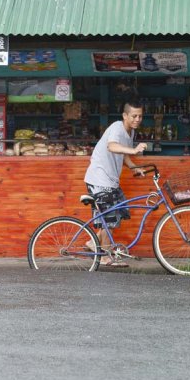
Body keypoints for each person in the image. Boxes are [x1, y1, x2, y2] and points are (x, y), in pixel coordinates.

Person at [84, 102, 147, 267]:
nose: (137, 119)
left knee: (116, 214)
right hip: (100, 180)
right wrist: (134, 150)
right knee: (109, 219)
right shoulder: (117, 128)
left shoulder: (130, 132)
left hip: (110, 181)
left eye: (140, 116)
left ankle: (93, 244)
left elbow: (123, 154)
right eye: (134, 116)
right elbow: (112, 146)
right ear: (125, 116)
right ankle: (104, 257)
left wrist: (135, 168)